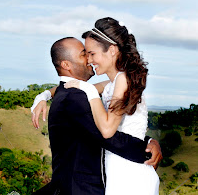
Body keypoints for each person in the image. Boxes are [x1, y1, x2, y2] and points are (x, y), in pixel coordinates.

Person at [32, 36, 162, 194]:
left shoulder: (73, 91)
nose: (89, 58)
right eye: (83, 54)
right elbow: (107, 136)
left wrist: (44, 94)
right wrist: (146, 149)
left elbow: (109, 125)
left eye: (90, 53)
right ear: (66, 65)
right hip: (83, 189)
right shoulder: (74, 97)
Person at [64, 17, 159, 194]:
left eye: (92, 53)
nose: (89, 60)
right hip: (117, 169)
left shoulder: (123, 80)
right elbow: (73, 88)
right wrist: (43, 95)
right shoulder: (112, 84)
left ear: (112, 50)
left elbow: (108, 130)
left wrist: (89, 92)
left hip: (130, 172)